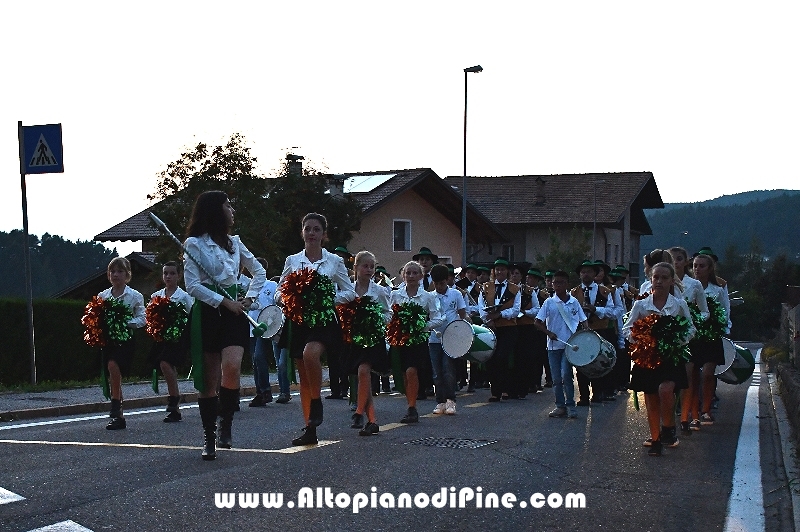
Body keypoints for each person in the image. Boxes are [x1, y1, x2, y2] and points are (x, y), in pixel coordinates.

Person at [183, 191, 266, 461]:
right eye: (228, 206)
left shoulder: (236, 243)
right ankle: (209, 436)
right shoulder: (194, 245)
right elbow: (192, 286)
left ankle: (226, 421)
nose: (232, 210)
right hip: (208, 312)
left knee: (231, 367)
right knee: (208, 381)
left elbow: (260, 272)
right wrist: (222, 302)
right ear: (215, 211)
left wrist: (249, 298)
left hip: (235, 313)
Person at [277, 213, 356, 446]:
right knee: (303, 376)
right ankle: (310, 428)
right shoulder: (292, 260)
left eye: (316, 229)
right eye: (308, 229)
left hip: (322, 320)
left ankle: (317, 401)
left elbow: (349, 292)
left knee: (310, 354)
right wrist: (289, 299)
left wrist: (326, 299)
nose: (312, 233)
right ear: (302, 232)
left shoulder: (334, 261)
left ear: (324, 234)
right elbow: (279, 290)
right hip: (298, 320)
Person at [623, 262, 696, 457]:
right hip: (648, 357)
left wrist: (675, 340)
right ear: (650, 280)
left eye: (664, 278)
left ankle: (669, 427)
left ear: (672, 281)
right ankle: (656, 439)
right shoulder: (641, 304)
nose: (659, 281)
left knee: (665, 390)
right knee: (651, 398)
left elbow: (690, 329)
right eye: (656, 277)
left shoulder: (678, 305)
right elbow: (627, 329)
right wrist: (641, 337)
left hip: (670, 356)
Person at [389, 260, 445, 423]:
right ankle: (410, 402)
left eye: (415, 273)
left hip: (417, 340)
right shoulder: (395, 295)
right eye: (408, 273)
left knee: (411, 371)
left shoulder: (427, 296)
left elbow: (438, 318)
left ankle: (412, 408)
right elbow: (388, 315)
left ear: (421, 276)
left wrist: (422, 326)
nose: (411, 276)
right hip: (400, 340)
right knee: (403, 375)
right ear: (403, 275)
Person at [346, 251, 392, 436]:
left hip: (372, 338)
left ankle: (358, 412)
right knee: (361, 376)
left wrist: (374, 318)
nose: (369, 270)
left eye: (372, 266)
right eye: (365, 266)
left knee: (363, 371)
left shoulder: (379, 291)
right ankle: (372, 420)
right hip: (354, 338)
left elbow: (388, 314)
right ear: (356, 268)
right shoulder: (348, 289)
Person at [98, 257, 146, 430]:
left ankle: (115, 405)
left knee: (113, 366)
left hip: (125, 340)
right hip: (109, 340)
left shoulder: (135, 296)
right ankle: (119, 415)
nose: (115, 274)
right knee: (112, 372)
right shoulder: (103, 296)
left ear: (127, 274)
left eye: (120, 271)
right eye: (113, 271)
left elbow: (143, 319)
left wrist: (125, 322)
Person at [535, 270, 587, 419]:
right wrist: (548, 333)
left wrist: (585, 334)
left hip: (569, 346)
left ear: (566, 284)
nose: (556, 285)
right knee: (556, 378)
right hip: (553, 346)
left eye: (560, 282)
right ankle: (560, 406)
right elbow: (537, 322)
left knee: (566, 374)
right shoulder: (549, 302)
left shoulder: (574, 302)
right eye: (554, 282)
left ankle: (571, 405)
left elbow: (583, 320)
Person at [148, 261, 194, 422]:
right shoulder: (156, 296)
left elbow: (191, 315)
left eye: (172, 273)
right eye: (165, 273)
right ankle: (175, 405)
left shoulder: (184, 297)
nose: (168, 276)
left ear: (179, 276)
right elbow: (150, 316)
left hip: (177, 337)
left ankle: (174, 398)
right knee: (166, 365)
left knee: (165, 363)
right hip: (161, 336)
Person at [690, 249, 730, 426]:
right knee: (692, 375)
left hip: (711, 336)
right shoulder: (687, 288)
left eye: (702, 266)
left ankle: (706, 409)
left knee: (707, 374)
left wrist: (722, 328)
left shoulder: (717, 289)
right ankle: (693, 411)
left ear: (709, 269)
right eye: (695, 266)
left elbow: (725, 310)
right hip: (692, 336)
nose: (697, 269)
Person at [570, 260, 617, 405]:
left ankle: (598, 393)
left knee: (598, 361)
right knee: (581, 363)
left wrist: (596, 309)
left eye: (589, 272)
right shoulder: (573, 292)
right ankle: (583, 396)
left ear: (595, 274)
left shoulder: (604, 291)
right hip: (582, 332)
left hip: (600, 330)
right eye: (583, 272)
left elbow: (612, 312)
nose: (586, 274)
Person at [478, 258, 521, 402]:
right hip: (491, 328)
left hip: (508, 328)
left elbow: (515, 311)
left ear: (507, 271)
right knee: (490, 359)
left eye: (502, 269)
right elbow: (481, 307)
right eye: (497, 269)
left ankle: (506, 389)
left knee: (503, 357)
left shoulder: (515, 289)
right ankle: (495, 391)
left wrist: (500, 314)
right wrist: (488, 320)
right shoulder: (485, 287)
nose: (499, 272)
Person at [429, 264, 467, 415]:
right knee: (437, 372)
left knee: (448, 370)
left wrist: (463, 330)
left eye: (442, 283)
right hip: (435, 338)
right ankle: (440, 401)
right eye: (436, 284)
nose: (439, 286)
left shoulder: (456, 294)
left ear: (448, 280)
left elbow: (462, 313)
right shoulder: (430, 296)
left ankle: (451, 400)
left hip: (451, 337)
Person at [247, 258, 277, 407]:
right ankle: (260, 392)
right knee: (255, 361)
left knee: (259, 357)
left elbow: (274, 304)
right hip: (251, 328)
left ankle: (266, 390)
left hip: (265, 326)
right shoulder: (249, 285)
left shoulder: (271, 285)